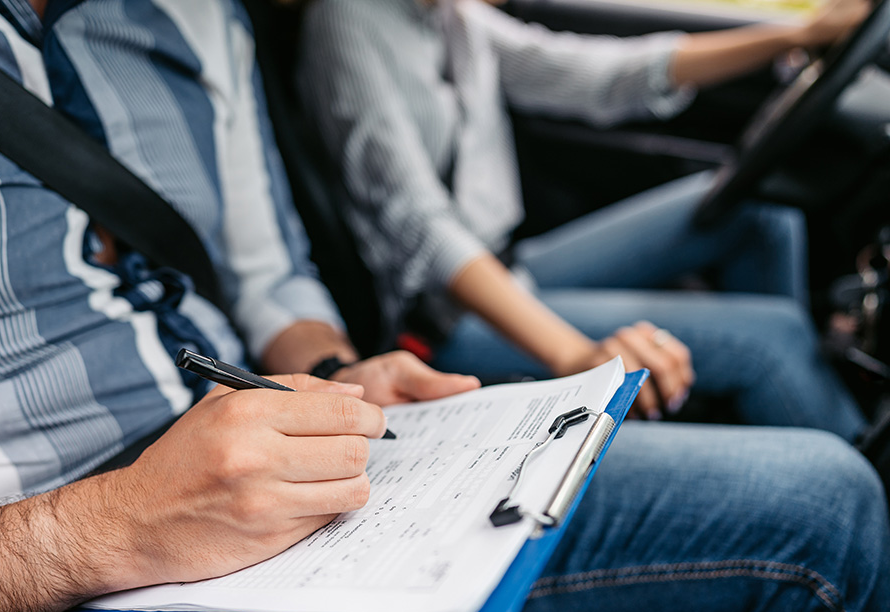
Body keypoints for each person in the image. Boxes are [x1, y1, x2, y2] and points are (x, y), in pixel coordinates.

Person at [0, 1, 889, 612]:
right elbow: (416, 225)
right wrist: (105, 524)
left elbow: (271, 277)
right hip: (25, 593)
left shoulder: (196, 15)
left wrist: (334, 369)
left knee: (826, 497)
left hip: (269, 447)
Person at [296, 0, 871, 433]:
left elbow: (598, 73)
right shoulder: (347, 21)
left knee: (759, 210)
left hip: (515, 260)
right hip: (446, 315)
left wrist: (797, 35)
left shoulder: (451, 15)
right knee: (772, 341)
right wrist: (576, 357)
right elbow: (420, 227)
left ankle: (770, 419)